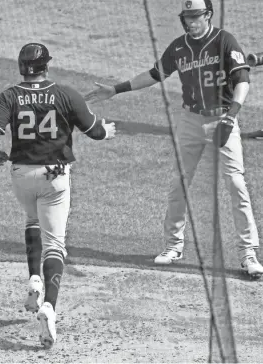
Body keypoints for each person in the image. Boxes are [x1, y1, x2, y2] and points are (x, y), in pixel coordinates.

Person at [85, 0, 263, 277]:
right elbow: (155, 74)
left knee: (236, 183)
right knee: (179, 183)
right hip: (190, 120)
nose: (190, 22)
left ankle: (248, 253)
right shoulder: (179, 47)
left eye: (195, 17)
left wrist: (231, 116)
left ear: (208, 15)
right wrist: (116, 90)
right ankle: (173, 245)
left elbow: (242, 80)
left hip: (222, 119)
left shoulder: (225, 41)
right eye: (186, 17)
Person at [0, 43, 116, 348]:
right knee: (55, 243)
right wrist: (106, 131)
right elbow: (94, 130)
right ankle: (49, 308)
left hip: (21, 176)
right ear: (46, 66)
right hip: (54, 177)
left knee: (32, 218)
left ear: (20, 66)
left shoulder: (10, 95)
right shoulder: (65, 93)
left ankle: (34, 279)